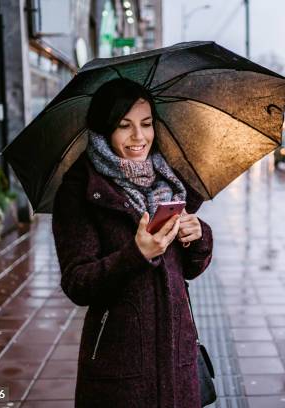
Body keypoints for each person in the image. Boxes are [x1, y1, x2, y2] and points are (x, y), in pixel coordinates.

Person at [51, 78, 213, 408]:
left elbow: (191, 270)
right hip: (120, 367)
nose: (139, 137)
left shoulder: (170, 179)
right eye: (125, 126)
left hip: (177, 360)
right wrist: (136, 254)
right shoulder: (81, 188)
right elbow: (78, 283)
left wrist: (198, 235)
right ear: (104, 129)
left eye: (147, 124)